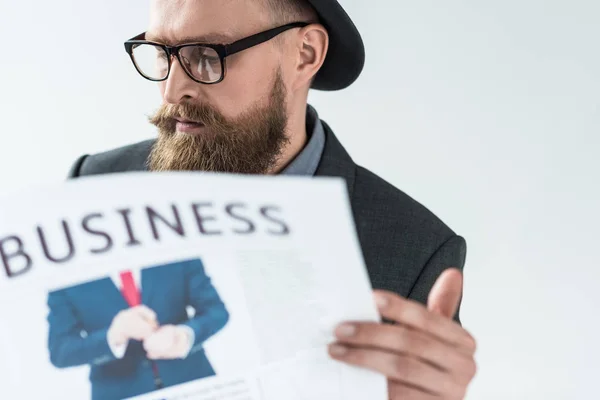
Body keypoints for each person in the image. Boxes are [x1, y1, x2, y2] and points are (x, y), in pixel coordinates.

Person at [67, 0, 477, 398]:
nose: (173, 90)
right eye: (161, 54)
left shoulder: (414, 253)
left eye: (206, 55)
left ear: (304, 55)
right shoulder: (96, 187)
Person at [47, 258, 229, 400]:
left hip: (194, 384)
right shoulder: (66, 275)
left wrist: (184, 335)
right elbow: (61, 350)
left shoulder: (174, 250)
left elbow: (216, 311)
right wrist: (113, 337)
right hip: (119, 392)